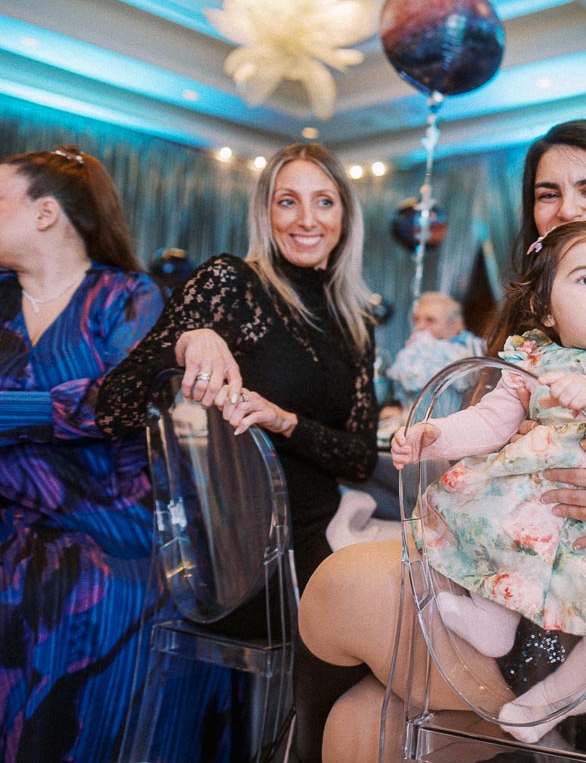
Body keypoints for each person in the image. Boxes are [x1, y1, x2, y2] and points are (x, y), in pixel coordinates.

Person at [299, 118, 586, 762]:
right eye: (547, 193)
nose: (566, 208)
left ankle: (551, 722)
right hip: (515, 562)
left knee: (338, 593)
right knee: (358, 726)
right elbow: (493, 422)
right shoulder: (535, 309)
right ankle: (534, 731)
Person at [96, 142, 378, 761]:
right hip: (247, 564)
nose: (307, 219)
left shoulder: (356, 321)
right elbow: (112, 406)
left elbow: (359, 456)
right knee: (392, 617)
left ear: (345, 218)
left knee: (413, 605)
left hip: (319, 534)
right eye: (288, 201)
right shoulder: (232, 282)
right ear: (265, 213)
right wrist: (187, 338)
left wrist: (285, 421)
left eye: (323, 201)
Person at [393, 220, 586, 743]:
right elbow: (493, 420)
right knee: (501, 527)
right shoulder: (532, 356)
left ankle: (547, 704)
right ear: (546, 308)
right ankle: (493, 621)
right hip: (542, 503)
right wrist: (436, 434)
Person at [0, 147, 212, 759]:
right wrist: (52, 409)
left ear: (46, 213)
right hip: (14, 510)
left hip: (114, 516)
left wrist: (17, 411)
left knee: (64, 589)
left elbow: (120, 400)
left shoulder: (125, 296)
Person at [386, 291, 485, 408]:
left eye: (430, 320)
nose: (419, 326)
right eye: (416, 319)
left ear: (456, 325)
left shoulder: (471, 356)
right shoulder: (413, 353)